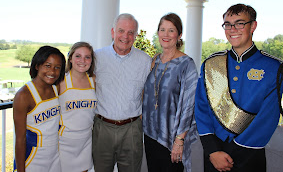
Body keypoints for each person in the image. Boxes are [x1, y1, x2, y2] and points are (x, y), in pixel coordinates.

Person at [195, 3, 283, 172]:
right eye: (228, 24)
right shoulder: (211, 64)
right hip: (214, 153)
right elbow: (201, 108)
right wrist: (212, 150)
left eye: (240, 23)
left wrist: (238, 151)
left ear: (253, 26)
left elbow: (268, 117)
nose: (233, 29)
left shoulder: (274, 68)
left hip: (249, 154)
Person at [92, 13, 151, 172]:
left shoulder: (145, 61)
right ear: (112, 32)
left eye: (131, 32)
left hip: (131, 129)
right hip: (102, 128)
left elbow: (147, 93)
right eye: (121, 31)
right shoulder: (97, 57)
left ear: (136, 35)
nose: (126, 36)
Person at [142, 13, 198, 172]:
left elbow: (189, 105)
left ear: (179, 35)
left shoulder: (187, 64)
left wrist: (180, 140)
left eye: (171, 30)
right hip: (150, 134)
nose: (166, 35)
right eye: (162, 30)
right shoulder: (154, 60)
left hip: (173, 137)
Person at [13, 46, 66, 172]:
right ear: (37, 65)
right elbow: (20, 139)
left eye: (57, 67)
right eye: (47, 65)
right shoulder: (23, 96)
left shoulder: (56, 88)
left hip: (54, 155)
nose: (52, 71)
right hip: (33, 157)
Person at [58, 42, 97, 172]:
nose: (82, 61)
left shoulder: (93, 81)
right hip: (64, 142)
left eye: (87, 57)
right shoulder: (61, 81)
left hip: (86, 140)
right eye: (78, 56)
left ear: (91, 60)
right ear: (70, 58)